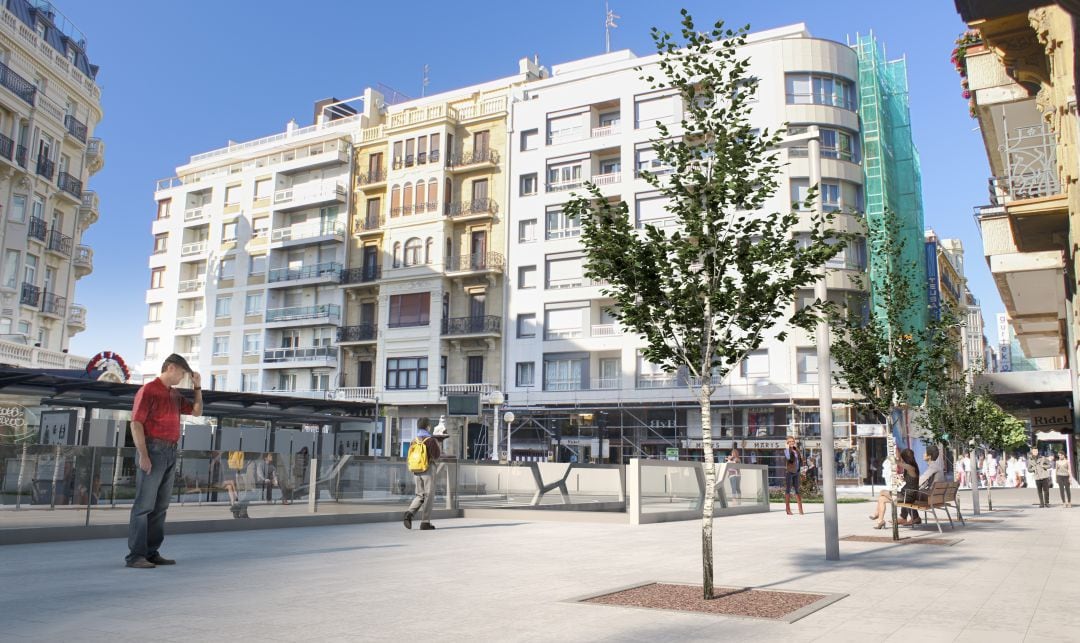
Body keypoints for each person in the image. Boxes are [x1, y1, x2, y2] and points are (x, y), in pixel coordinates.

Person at [125, 354, 202, 569]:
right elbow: (136, 424)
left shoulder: (175, 395)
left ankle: (151, 552)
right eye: (181, 373)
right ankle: (136, 556)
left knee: (160, 506)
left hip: (170, 451)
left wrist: (197, 388)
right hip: (153, 449)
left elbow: (197, 411)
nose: (183, 377)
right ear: (170, 367)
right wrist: (143, 454)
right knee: (144, 505)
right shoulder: (148, 390)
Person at [403, 418, 442, 530]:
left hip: (416, 470)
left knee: (420, 495)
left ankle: (409, 513)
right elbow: (436, 456)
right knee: (429, 496)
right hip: (428, 470)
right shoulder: (430, 440)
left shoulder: (414, 440)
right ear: (428, 426)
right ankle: (425, 522)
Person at [869, 448, 919, 529]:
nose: (901, 459)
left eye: (902, 457)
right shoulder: (912, 468)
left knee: (882, 491)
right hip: (906, 495)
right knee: (881, 499)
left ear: (905, 458)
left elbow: (898, 463)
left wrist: (893, 457)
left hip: (907, 497)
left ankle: (876, 513)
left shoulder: (911, 468)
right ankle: (880, 521)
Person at [782, 436, 804, 516]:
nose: (791, 442)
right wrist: (787, 448)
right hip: (789, 472)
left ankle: (800, 509)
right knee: (788, 490)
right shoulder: (787, 450)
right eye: (789, 441)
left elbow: (800, 460)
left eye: (792, 441)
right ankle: (788, 510)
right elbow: (788, 458)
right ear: (787, 443)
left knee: (797, 490)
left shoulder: (796, 450)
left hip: (797, 472)